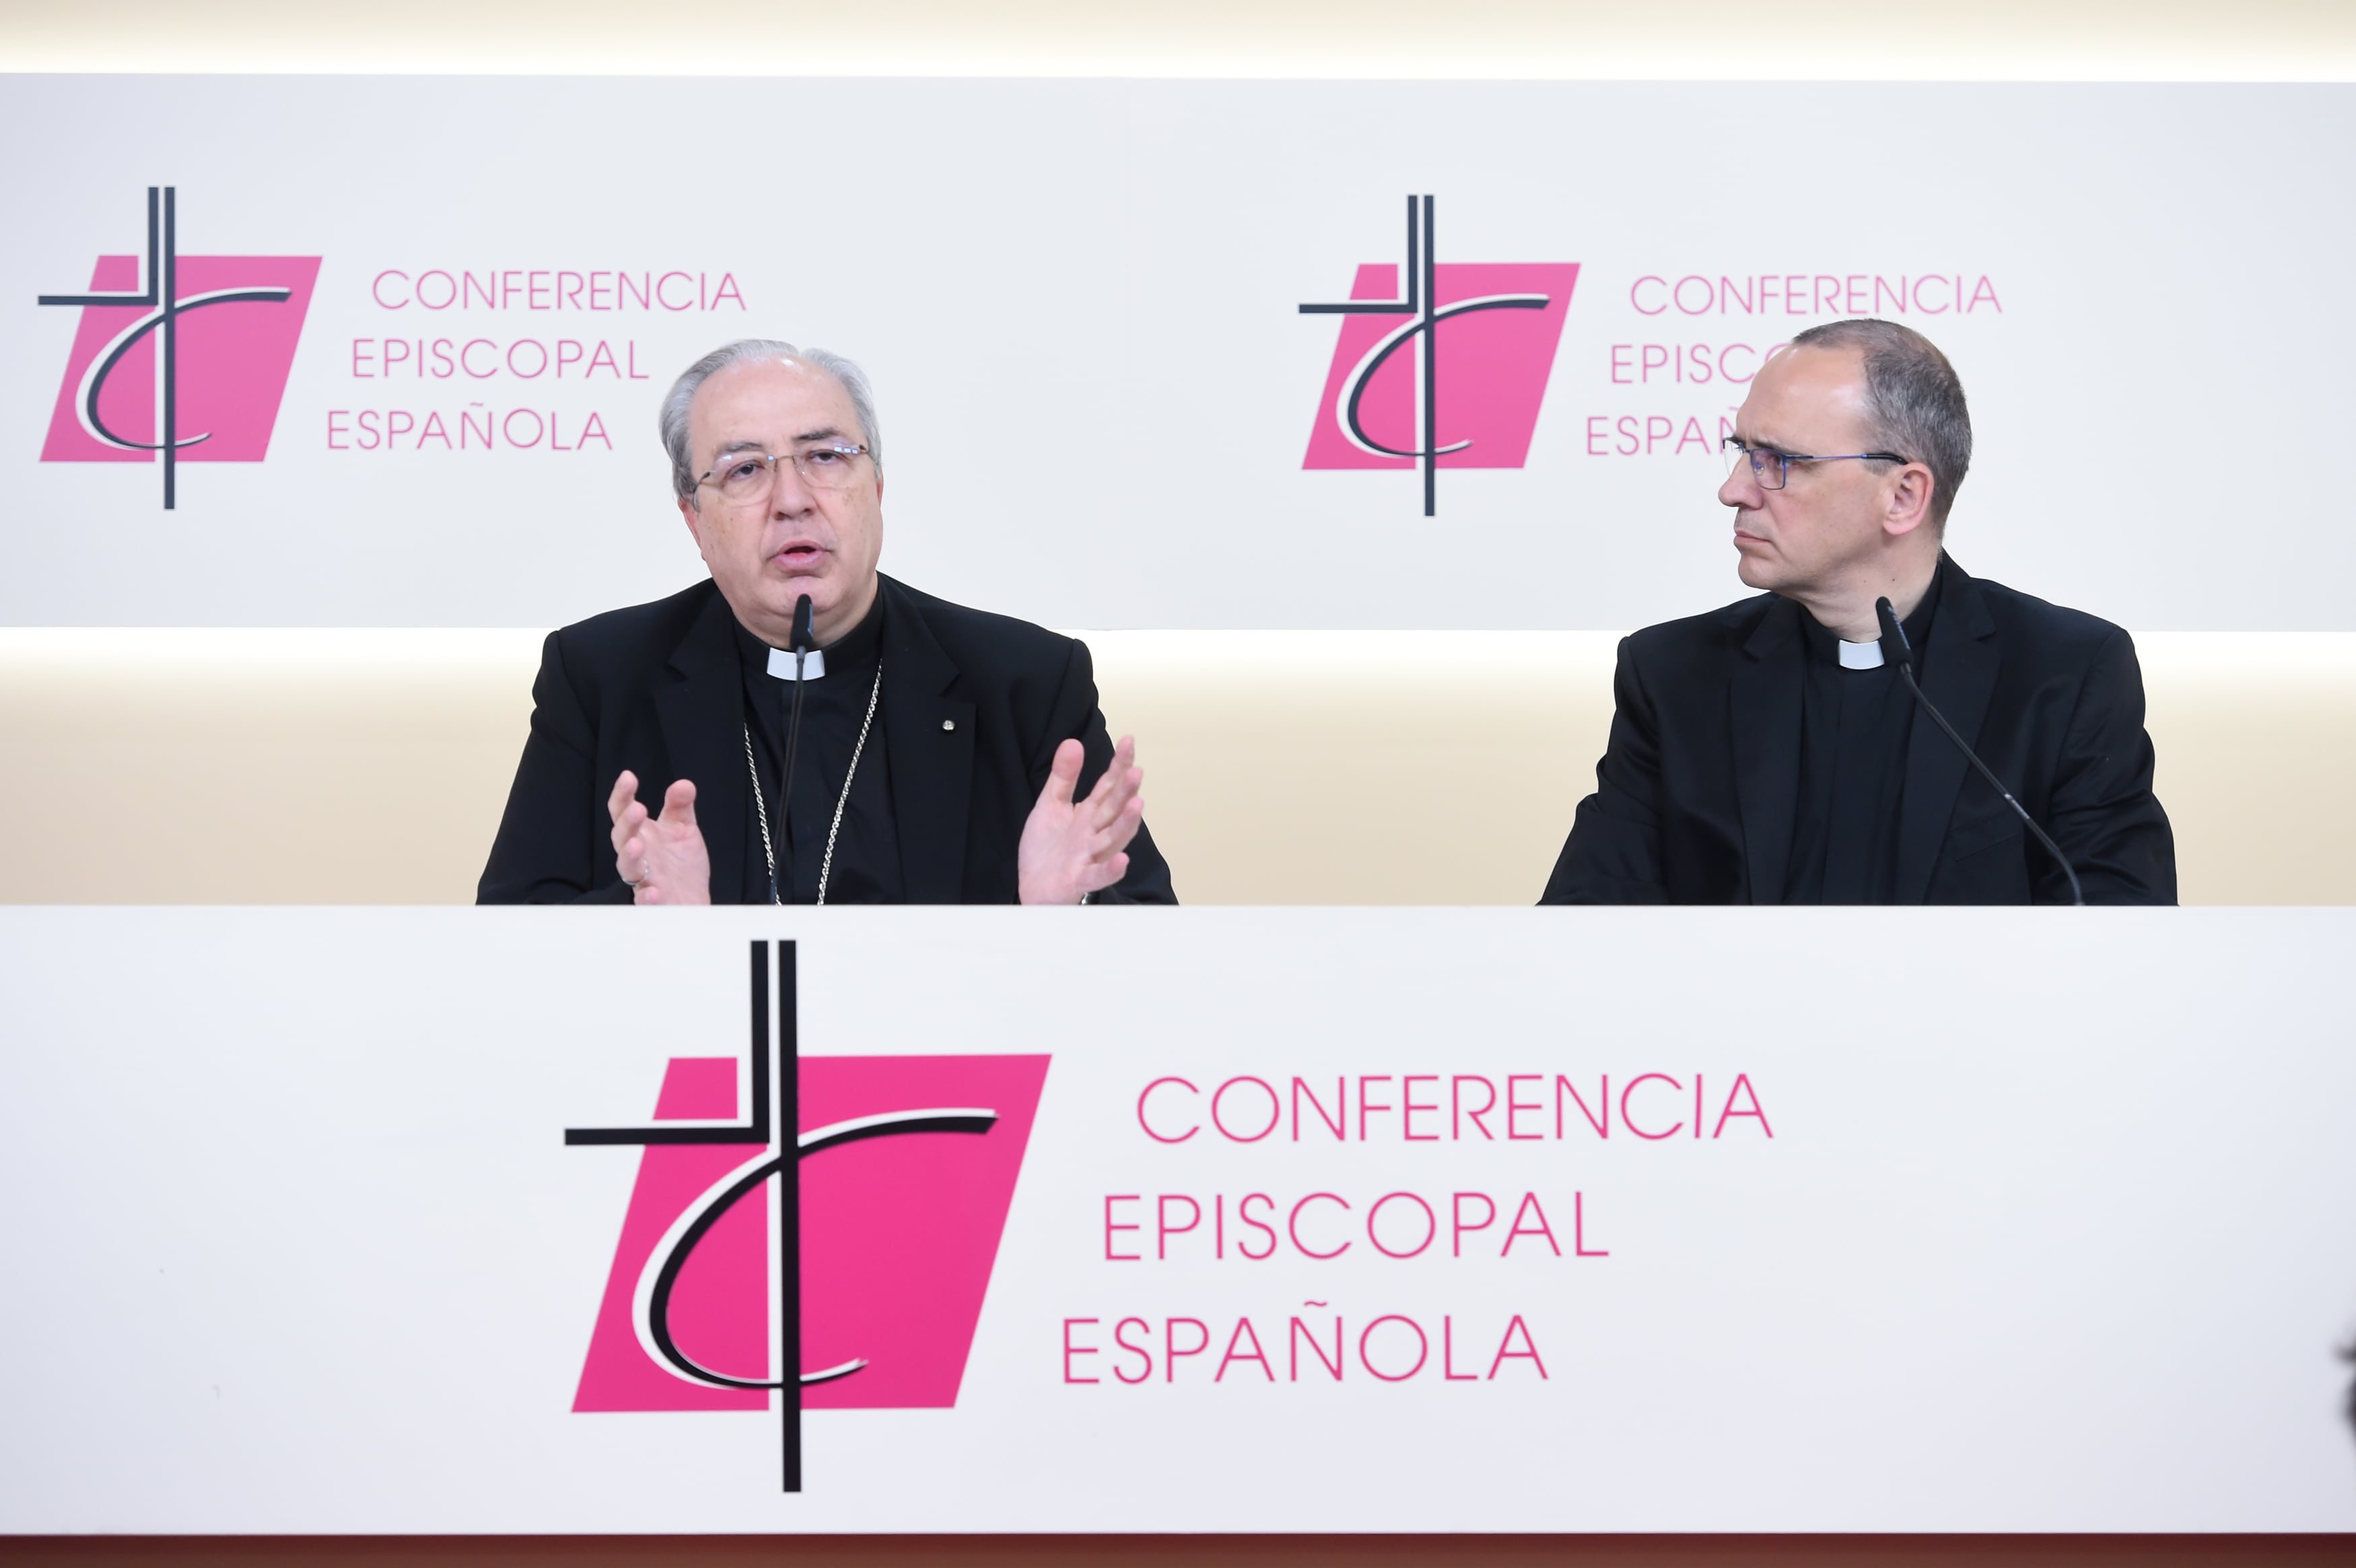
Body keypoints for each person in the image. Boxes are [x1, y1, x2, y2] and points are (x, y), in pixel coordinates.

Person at [479, 340, 1175, 906]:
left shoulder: (1024, 679)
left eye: (824, 457)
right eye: (744, 469)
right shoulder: (600, 676)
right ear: (693, 518)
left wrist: (1056, 916)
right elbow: (509, 935)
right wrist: (655, 920)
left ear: (875, 488)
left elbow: (1152, 938)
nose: (791, 500)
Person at [1541, 318, 2174, 905]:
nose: (1734, 489)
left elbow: (2121, 941)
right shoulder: (1673, 675)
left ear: (1903, 496)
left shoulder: (2064, 674)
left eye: (1780, 462)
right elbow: (1584, 928)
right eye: (1742, 451)